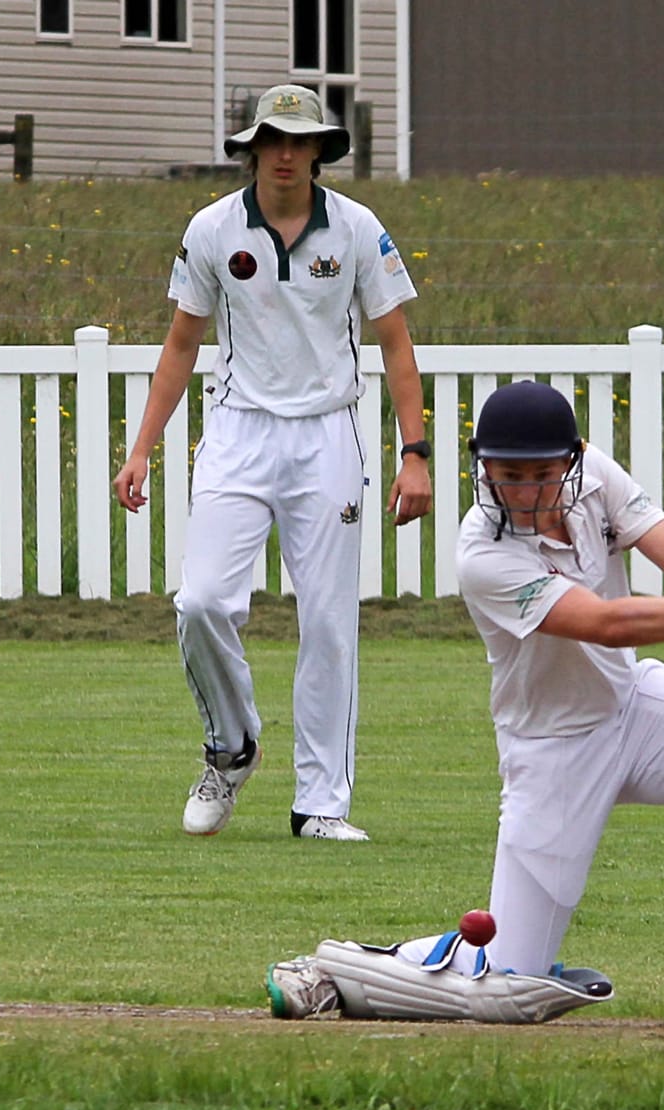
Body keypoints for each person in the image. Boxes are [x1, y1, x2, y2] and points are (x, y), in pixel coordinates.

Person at [264, 380, 664, 1028]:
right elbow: (605, 622)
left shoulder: (597, 480)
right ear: (484, 470)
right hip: (552, 747)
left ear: (572, 459)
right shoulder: (483, 554)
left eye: (541, 473)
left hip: (632, 704)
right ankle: (338, 969)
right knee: (509, 981)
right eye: (509, 475)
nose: (526, 491)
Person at [113, 85, 430, 844]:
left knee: (327, 620)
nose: (286, 154)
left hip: (327, 436)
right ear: (252, 148)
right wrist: (142, 446)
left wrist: (413, 454)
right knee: (201, 604)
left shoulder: (356, 229)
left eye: (301, 141)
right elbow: (182, 344)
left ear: (321, 149)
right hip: (239, 431)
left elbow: (394, 344)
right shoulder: (213, 228)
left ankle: (322, 803)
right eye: (273, 141)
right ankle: (231, 745)